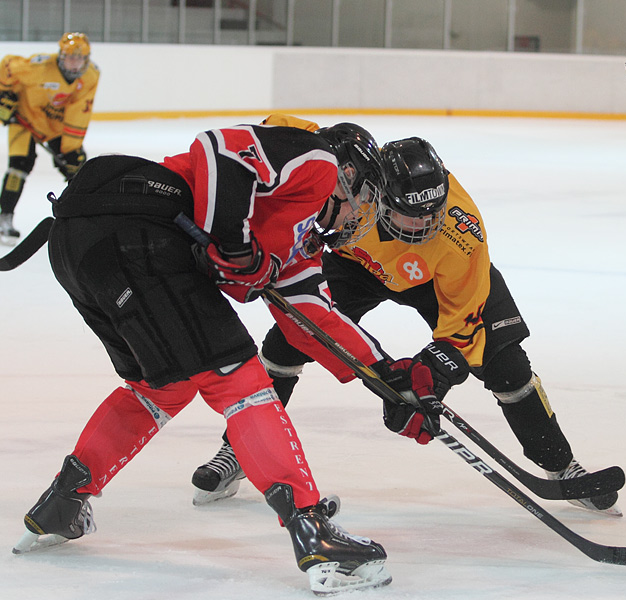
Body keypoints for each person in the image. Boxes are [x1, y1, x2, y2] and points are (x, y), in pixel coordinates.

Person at [13, 114, 442, 595]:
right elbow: (222, 148)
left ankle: (61, 504)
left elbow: (312, 318)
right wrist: (235, 247)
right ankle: (315, 536)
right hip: (138, 230)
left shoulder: (298, 241)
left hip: (82, 245)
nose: (362, 211)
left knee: (161, 388)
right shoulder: (317, 161)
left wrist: (385, 378)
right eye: (366, 197)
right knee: (241, 382)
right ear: (350, 176)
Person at [191, 121, 620, 516]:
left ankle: (561, 466)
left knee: (507, 364)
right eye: (408, 215)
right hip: (357, 263)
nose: (421, 226)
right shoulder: (353, 183)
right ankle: (238, 451)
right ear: (376, 188)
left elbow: (462, 329)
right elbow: (274, 135)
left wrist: (432, 374)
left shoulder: (459, 237)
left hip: (433, 281)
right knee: (288, 340)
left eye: (430, 216)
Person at [0, 32, 98, 244]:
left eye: (79, 58)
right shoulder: (40, 66)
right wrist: (4, 95)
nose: (74, 63)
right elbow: (7, 65)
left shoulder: (90, 76)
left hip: (55, 126)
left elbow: (79, 114)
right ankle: (4, 219)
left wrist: (71, 149)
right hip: (25, 119)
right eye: (70, 57)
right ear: (61, 55)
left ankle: (81, 220)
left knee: (76, 167)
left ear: (86, 59)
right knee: (19, 166)